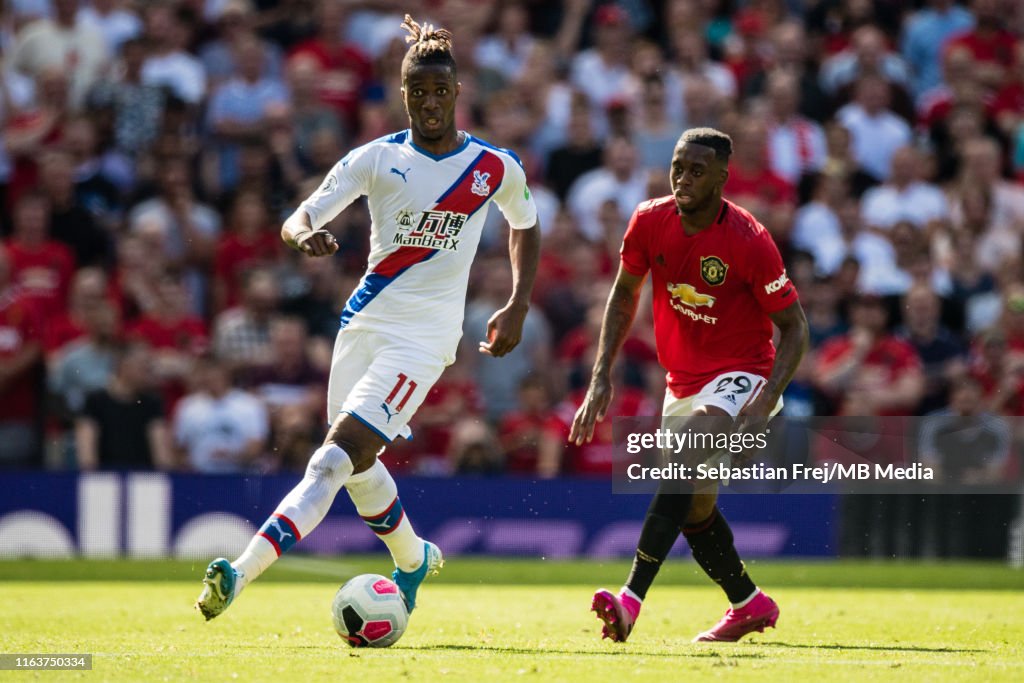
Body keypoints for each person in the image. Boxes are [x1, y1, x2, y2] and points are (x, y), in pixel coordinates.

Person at [196, 15, 540, 621]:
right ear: (401, 94)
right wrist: (304, 239)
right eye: (418, 92)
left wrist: (517, 301)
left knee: (333, 457)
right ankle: (413, 559)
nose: (430, 102)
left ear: (458, 93)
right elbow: (299, 216)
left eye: (440, 91)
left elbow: (525, 224)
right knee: (355, 468)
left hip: (424, 340)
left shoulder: (493, 167)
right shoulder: (375, 160)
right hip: (363, 325)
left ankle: (237, 571)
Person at [570, 128, 808, 643]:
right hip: (682, 382)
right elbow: (623, 294)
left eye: (697, 170)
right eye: (678, 167)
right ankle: (749, 603)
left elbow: (796, 327)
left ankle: (630, 599)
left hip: (743, 373)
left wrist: (766, 397)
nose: (683, 178)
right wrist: (600, 377)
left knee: (681, 459)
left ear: (723, 176)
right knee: (694, 504)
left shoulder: (749, 239)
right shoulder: (648, 220)